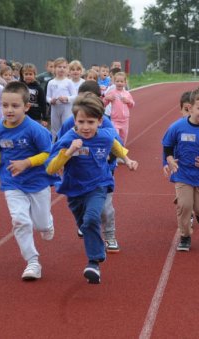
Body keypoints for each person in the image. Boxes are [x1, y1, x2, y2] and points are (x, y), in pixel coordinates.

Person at [46, 93, 138, 284]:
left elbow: (113, 144)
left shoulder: (104, 134)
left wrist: (127, 160)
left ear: (100, 121)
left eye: (90, 122)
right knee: (84, 224)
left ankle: (94, 262)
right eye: (81, 122)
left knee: (91, 219)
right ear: (74, 121)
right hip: (74, 189)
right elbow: (51, 168)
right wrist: (69, 152)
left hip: (98, 185)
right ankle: (94, 246)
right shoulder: (67, 139)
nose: (86, 127)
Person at [0, 81, 58, 281]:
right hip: (12, 183)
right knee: (20, 221)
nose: (9, 110)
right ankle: (32, 262)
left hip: (37, 182)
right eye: (5, 105)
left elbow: (48, 153)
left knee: (42, 224)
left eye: (15, 106)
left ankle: (47, 224)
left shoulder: (35, 129)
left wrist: (26, 163)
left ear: (26, 107)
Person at [57, 80, 123, 253]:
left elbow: (117, 144)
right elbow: (59, 143)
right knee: (84, 207)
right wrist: (59, 161)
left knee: (105, 209)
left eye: (92, 99)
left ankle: (109, 236)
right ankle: (87, 224)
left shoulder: (104, 122)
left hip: (103, 171)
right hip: (78, 174)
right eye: (83, 98)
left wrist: (110, 155)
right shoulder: (70, 122)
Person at [162, 87, 199, 252]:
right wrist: (170, 159)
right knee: (185, 205)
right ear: (190, 108)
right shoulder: (177, 127)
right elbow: (168, 146)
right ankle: (185, 236)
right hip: (183, 174)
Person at [46, 57, 77, 140]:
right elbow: (47, 96)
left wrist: (66, 98)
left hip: (66, 108)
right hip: (55, 107)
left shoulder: (69, 82)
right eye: (59, 67)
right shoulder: (51, 82)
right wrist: (50, 100)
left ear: (67, 69)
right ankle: (54, 144)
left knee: (66, 126)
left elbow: (75, 96)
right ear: (54, 69)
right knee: (54, 128)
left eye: (64, 67)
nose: (61, 69)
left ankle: (66, 144)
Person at [103, 72, 134, 144]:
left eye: (121, 81)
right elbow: (104, 104)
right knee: (115, 136)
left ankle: (121, 152)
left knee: (123, 138)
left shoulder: (127, 94)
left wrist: (128, 101)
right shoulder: (112, 92)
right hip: (115, 120)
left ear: (125, 83)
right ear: (114, 82)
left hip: (125, 120)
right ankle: (114, 153)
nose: (119, 83)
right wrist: (106, 98)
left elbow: (132, 105)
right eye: (117, 81)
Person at [20, 63, 49, 127]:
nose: (28, 76)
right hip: (22, 115)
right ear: (23, 75)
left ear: (34, 75)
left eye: (30, 74)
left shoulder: (38, 88)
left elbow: (43, 104)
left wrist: (44, 118)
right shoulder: (20, 87)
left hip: (35, 116)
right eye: (26, 74)